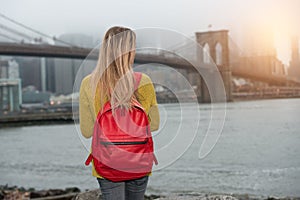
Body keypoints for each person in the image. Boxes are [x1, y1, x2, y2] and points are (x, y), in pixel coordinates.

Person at [79, 26, 160, 200]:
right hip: (138, 161)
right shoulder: (143, 81)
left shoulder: (88, 83)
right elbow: (153, 125)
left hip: (106, 163)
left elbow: (86, 132)